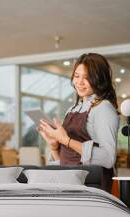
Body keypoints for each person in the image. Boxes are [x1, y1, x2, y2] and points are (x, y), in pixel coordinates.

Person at [38, 53, 119, 191]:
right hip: (69, 185)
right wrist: (54, 145)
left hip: (92, 188)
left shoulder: (103, 108)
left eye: (87, 77)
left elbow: (108, 158)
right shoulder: (72, 109)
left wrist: (66, 140)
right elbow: (65, 161)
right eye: (76, 76)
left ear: (99, 79)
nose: (80, 82)